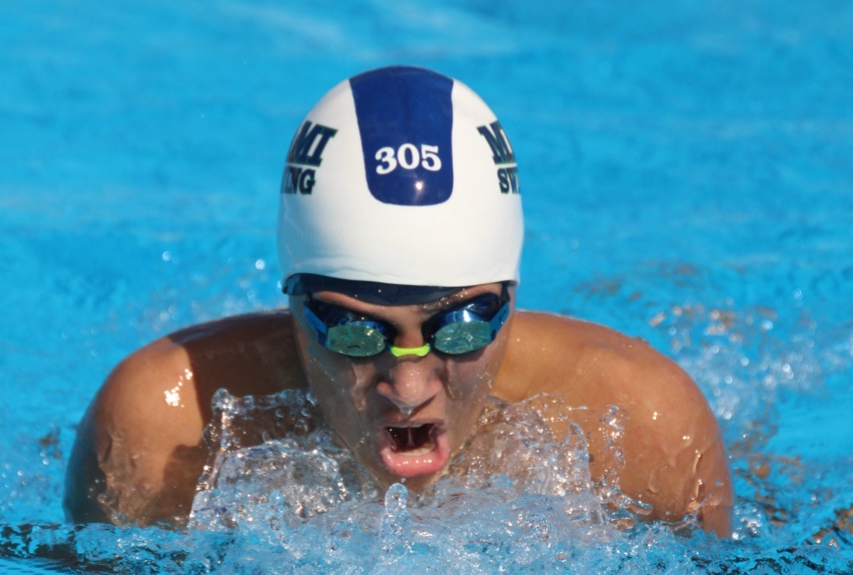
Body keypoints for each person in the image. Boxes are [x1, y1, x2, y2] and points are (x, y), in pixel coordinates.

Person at [64, 66, 733, 535]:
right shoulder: (164, 428)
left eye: (461, 329)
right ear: (293, 308)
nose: (408, 388)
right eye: (354, 333)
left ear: (510, 303)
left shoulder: (642, 423)